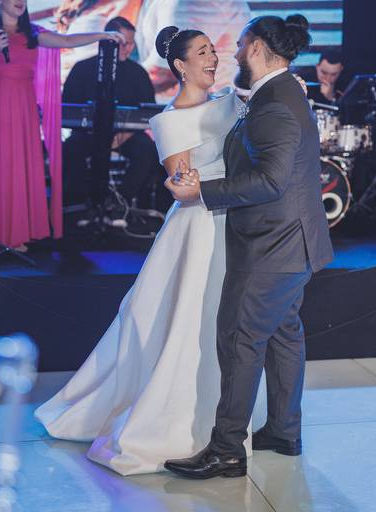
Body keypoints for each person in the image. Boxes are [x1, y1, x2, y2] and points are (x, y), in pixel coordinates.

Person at [35, 26, 245, 476]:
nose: (213, 58)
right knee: (188, 318)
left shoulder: (230, 101)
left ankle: (230, 416)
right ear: (180, 66)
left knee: (227, 320)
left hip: (236, 223)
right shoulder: (171, 120)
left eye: (213, 50)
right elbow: (181, 184)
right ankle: (177, 420)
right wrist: (205, 184)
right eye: (203, 52)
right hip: (198, 227)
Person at [163, 15, 334, 479]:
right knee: (283, 336)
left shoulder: (276, 102)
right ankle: (283, 430)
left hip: (273, 246)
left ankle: (226, 450)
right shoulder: (280, 92)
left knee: (239, 338)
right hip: (292, 243)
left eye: (239, 44)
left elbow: (270, 181)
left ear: (256, 47)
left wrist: (202, 191)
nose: (233, 53)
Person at [0, 0, 124, 251]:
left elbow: (67, 41)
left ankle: (16, 235)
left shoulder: (32, 32)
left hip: (24, 106)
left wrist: (103, 35)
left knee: (21, 167)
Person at [61, 16, 167, 225]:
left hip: (126, 136)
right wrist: (96, 132)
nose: (128, 48)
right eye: (123, 43)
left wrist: (124, 135)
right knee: (71, 149)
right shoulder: (82, 69)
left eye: (131, 43)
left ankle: (120, 204)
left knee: (147, 150)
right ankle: (84, 206)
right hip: (88, 134)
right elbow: (68, 109)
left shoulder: (138, 73)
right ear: (107, 40)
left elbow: (147, 113)